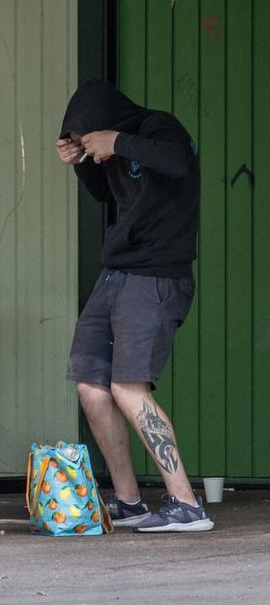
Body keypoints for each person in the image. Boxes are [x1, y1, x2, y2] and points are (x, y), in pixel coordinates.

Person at [56, 79, 212, 533]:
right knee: (91, 383)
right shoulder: (111, 152)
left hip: (156, 275)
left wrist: (117, 142)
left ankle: (187, 504)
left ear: (110, 125)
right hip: (116, 274)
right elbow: (106, 195)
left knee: (128, 388)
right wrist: (83, 162)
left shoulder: (159, 127)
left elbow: (178, 162)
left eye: (90, 140)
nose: (95, 151)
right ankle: (129, 501)